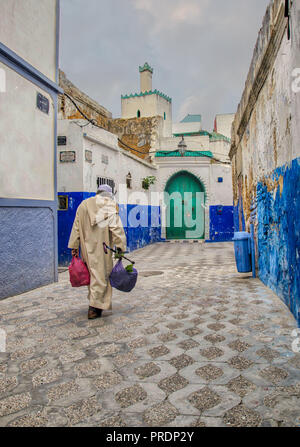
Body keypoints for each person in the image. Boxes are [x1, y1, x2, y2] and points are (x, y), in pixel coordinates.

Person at [68, 184, 127, 319]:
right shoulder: (110, 206)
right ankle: (94, 308)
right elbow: (116, 229)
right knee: (101, 277)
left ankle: (95, 304)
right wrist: (120, 247)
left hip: (87, 249)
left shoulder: (83, 205)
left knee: (93, 275)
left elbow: (76, 226)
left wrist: (74, 246)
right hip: (103, 248)